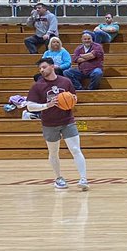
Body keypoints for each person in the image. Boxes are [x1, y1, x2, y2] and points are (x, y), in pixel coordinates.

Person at [25, 58, 87, 191]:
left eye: (44, 67)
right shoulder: (37, 86)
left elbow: (73, 97)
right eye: (40, 68)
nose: (41, 70)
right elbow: (29, 107)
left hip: (67, 121)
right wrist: (47, 105)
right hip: (49, 123)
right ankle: (59, 178)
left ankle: (83, 179)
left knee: (75, 149)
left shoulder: (65, 81)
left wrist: (73, 100)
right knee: (53, 152)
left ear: (52, 67)